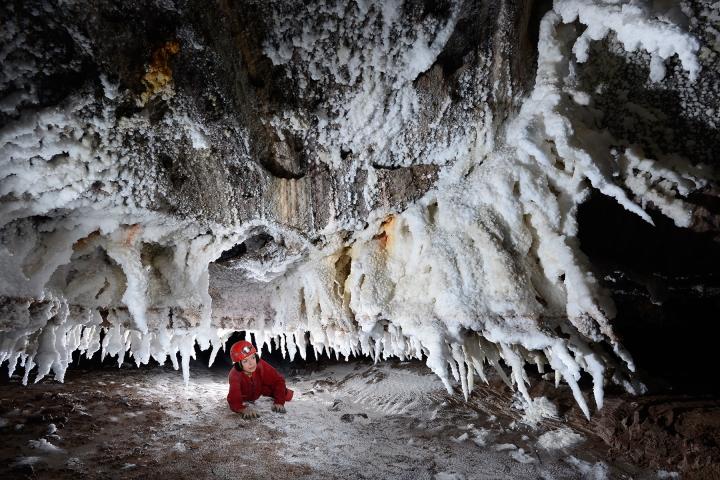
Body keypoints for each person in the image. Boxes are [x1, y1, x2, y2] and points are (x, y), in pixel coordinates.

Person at [227, 340, 293, 419]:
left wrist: (279, 402)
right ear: (238, 364)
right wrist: (242, 409)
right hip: (245, 395)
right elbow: (234, 399)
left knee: (285, 393)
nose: (251, 363)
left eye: (253, 357)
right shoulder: (234, 375)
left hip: (259, 389)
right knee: (235, 399)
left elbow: (278, 380)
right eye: (245, 361)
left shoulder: (260, 365)